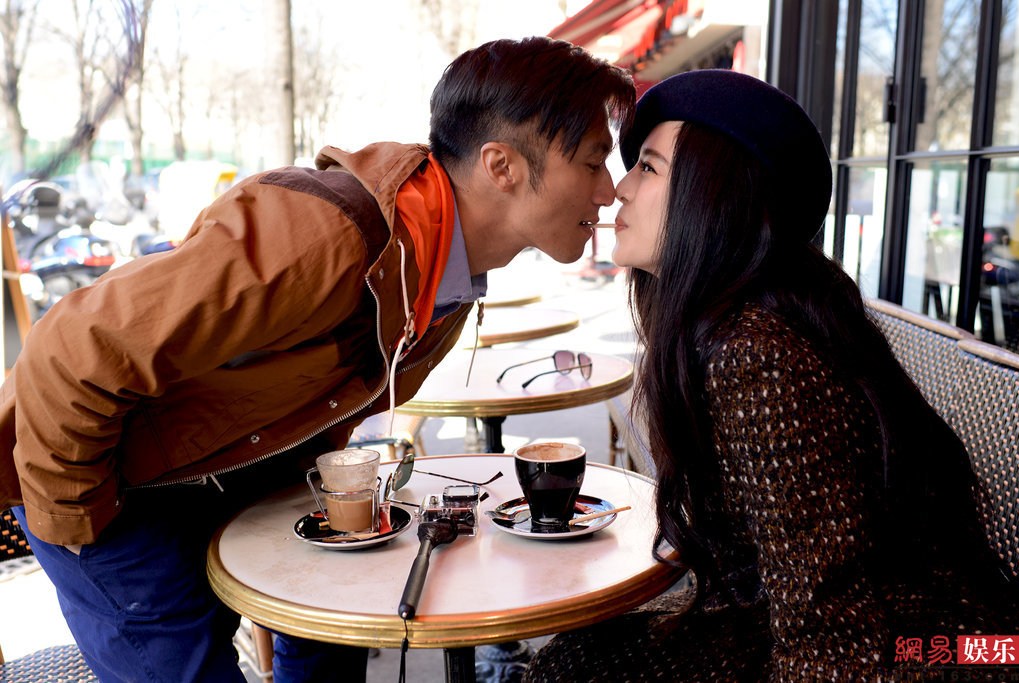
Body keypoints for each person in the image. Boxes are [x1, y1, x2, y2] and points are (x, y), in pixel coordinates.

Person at [0, 36, 635, 682]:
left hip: (239, 468)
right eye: (593, 162)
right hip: (99, 474)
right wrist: (87, 525)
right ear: (502, 166)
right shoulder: (326, 237)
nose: (609, 191)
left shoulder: (446, 263)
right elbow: (71, 353)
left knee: (335, 634)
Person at [524, 69, 1019, 681]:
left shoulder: (756, 356)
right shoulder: (734, 324)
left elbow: (835, 632)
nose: (619, 190)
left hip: (939, 652)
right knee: (576, 656)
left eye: (648, 168)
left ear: (715, 200)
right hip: (881, 630)